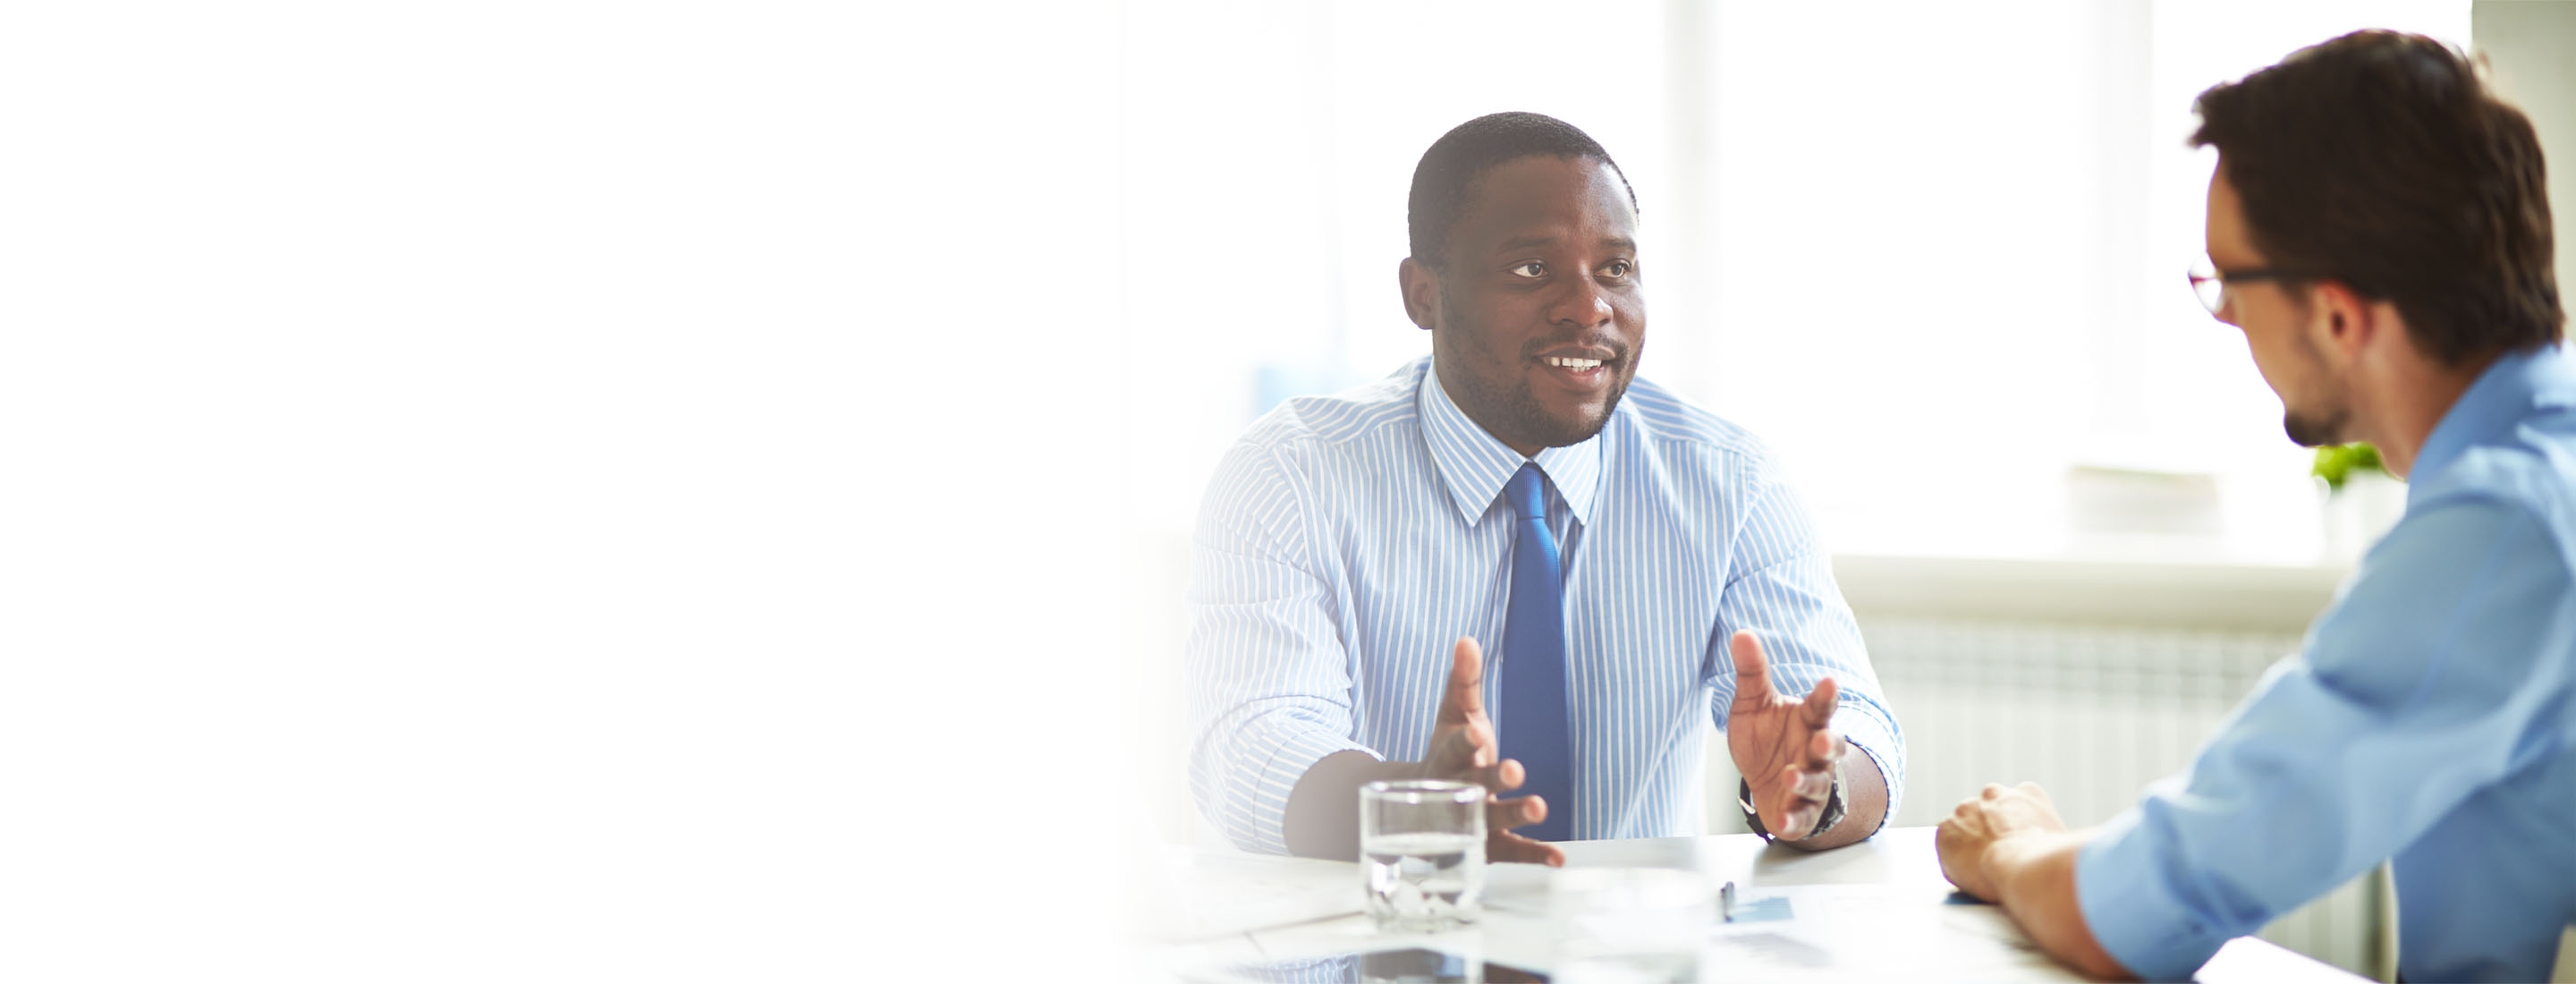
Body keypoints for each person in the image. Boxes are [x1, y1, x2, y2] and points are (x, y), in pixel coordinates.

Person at [1935, 30, 2574, 983]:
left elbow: (2146, 907)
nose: (2228, 318)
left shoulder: (2500, 532)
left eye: (2229, 280)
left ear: (2337, 313)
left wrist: (2010, 846)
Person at [1187, 112, 1904, 865]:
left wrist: (1816, 790)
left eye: (1616, 270)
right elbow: (1250, 741)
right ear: (1423, 294)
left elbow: (1856, 728)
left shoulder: (1731, 482)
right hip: (1381, 947)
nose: (1589, 307)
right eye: (1532, 269)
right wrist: (1412, 810)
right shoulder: (1289, 476)